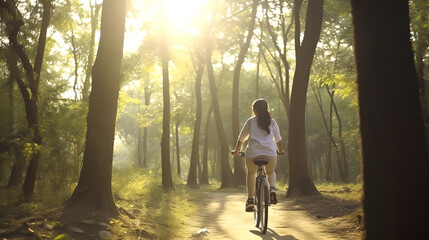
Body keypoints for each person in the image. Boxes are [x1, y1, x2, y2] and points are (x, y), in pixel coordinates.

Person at [231, 99, 285, 212]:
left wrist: (236, 151)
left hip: (253, 154)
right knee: (271, 172)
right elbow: (278, 139)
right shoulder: (272, 121)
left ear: (254, 111)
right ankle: (272, 190)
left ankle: (250, 199)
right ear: (266, 109)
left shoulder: (250, 121)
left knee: (251, 173)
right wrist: (279, 150)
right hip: (270, 153)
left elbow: (241, 139)